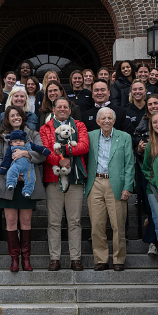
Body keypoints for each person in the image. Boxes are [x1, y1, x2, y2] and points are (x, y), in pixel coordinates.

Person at [0, 105, 47, 271]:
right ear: (7, 119)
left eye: (18, 115)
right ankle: (14, 258)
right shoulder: (1, 137)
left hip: (28, 183)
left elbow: (42, 154)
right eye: (11, 116)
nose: (15, 118)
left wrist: (25, 154)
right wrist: (12, 174)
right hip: (9, 184)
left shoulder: (33, 134)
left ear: (23, 117)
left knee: (25, 221)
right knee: (10, 221)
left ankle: (26, 258)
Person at [39, 97, 89, 272]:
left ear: (70, 109)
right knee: (53, 221)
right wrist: (60, 161)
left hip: (74, 178)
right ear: (53, 109)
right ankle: (55, 258)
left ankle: (75, 258)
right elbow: (46, 149)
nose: (62, 109)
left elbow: (83, 146)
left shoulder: (80, 126)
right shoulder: (45, 128)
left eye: (65, 107)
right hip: (53, 179)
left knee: (74, 220)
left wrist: (65, 152)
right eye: (58, 106)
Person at [86, 107, 137, 271]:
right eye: (103, 118)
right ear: (97, 121)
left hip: (116, 184)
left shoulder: (124, 137)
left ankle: (118, 259)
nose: (106, 121)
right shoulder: (90, 136)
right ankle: (101, 259)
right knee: (97, 225)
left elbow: (129, 164)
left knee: (118, 225)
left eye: (110, 118)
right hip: (95, 182)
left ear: (114, 121)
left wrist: (127, 187)